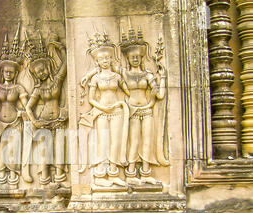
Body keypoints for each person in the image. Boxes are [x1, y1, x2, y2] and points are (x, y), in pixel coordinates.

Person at [119, 26, 168, 185]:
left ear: (141, 57)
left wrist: (163, 78)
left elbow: (159, 95)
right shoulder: (124, 73)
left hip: (147, 110)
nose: (135, 59)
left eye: (138, 56)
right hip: (132, 111)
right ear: (127, 57)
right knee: (134, 142)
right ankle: (131, 174)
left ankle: (146, 173)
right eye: (132, 56)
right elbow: (103, 68)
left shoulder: (148, 74)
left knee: (147, 141)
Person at [80, 31, 129, 187]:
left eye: (107, 58)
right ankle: (100, 175)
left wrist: (121, 71)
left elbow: (127, 92)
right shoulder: (95, 78)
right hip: (101, 112)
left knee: (115, 141)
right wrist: (104, 108)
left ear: (110, 59)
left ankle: (113, 172)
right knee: (103, 142)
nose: (105, 61)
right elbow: (91, 99)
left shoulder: (116, 77)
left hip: (116, 111)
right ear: (97, 61)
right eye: (101, 59)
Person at [0, 26, 29, 189]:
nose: (8, 74)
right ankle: (1, 176)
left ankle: (13, 176)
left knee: (13, 149)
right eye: (5, 71)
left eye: (11, 72)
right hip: (1, 124)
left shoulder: (19, 88)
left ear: (15, 73)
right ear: (2, 72)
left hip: (15, 122)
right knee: (1, 150)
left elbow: (26, 105)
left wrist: (26, 113)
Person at [24, 32, 68, 186]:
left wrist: (60, 48)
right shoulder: (38, 89)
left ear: (48, 66)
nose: (41, 73)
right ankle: (44, 181)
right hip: (44, 121)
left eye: (42, 69)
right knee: (45, 151)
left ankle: (60, 178)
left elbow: (65, 64)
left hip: (58, 120)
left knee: (60, 149)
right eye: (38, 73)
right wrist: (35, 121)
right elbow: (28, 107)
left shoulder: (57, 80)